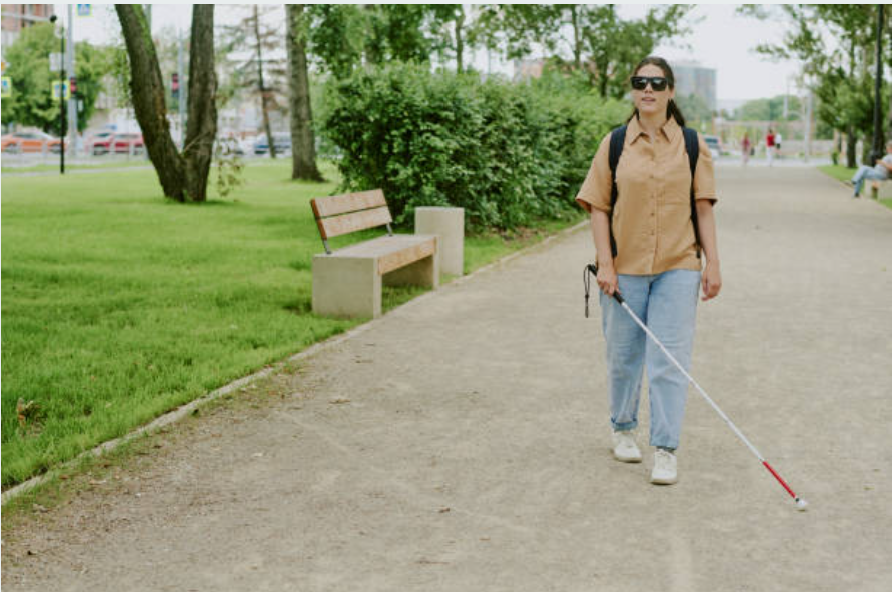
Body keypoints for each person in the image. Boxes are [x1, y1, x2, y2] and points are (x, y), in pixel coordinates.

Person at [575, 56, 721, 486]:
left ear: (671, 91)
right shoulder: (615, 143)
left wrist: (713, 263)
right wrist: (605, 263)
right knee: (623, 357)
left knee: (669, 360)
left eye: (657, 83)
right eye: (641, 82)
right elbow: (598, 207)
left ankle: (665, 449)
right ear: (633, 89)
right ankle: (623, 428)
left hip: (679, 266)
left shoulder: (692, 145)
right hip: (625, 269)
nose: (648, 90)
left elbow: (703, 208)